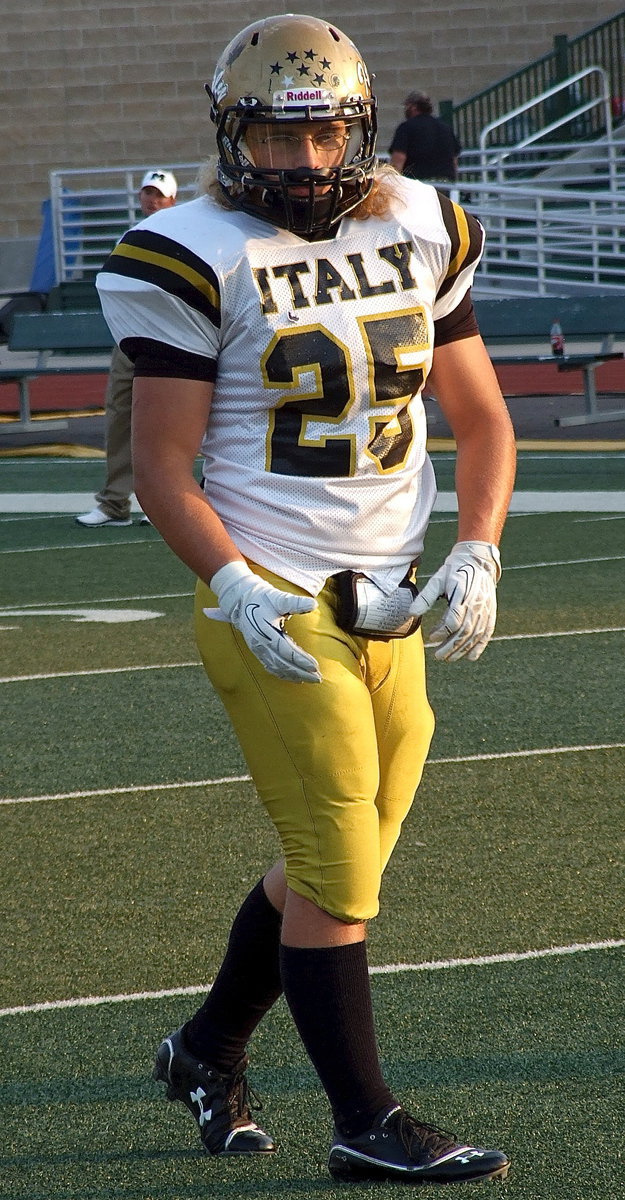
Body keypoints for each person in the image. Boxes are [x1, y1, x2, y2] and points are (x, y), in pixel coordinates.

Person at [97, 13, 516, 1186]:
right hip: (273, 595)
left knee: (340, 858)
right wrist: (230, 585)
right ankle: (365, 1121)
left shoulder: (425, 223)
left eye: (322, 132)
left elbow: (481, 418)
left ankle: (205, 1048)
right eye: (273, 138)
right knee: (336, 859)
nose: (298, 161)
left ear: (360, 127)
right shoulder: (185, 249)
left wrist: (476, 549)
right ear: (231, 136)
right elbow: (165, 469)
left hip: (390, 591)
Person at [76, 169, 177, 527]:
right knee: (120, 413)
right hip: (130, 337)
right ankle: (114, 502)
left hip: (172, 338)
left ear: (172, 200)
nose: (152, 200)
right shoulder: (130, 236)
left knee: (169, 421)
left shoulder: (185, 233)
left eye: (159, 194)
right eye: (147, 193)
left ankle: (164, 502)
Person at [389, 91, 461, 183]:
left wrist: (393, 183)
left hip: (417, 186)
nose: (405, 109)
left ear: (413, 107)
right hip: (446, 185)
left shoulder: (405, 128)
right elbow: (454, 160)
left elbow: (399, 159)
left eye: (407, 106)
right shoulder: (445, 127)